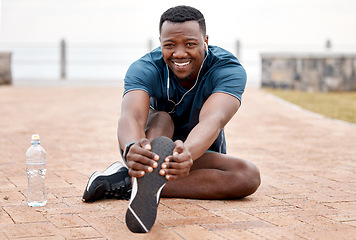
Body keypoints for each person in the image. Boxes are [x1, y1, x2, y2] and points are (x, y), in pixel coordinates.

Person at [83, 5, 260, 233]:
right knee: (163, 118)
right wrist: (131, 147)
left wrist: (188, 152)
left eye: (190, 44)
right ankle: (143, 174)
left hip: (196, 151)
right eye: (169, 45)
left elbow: (213, 120)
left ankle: (129, 183)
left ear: (205, 40)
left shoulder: (227, 69)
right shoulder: (144, 68)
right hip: (149, 151)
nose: (178, 53)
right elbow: (131, 116)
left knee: (248, 176)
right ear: (160, 42)